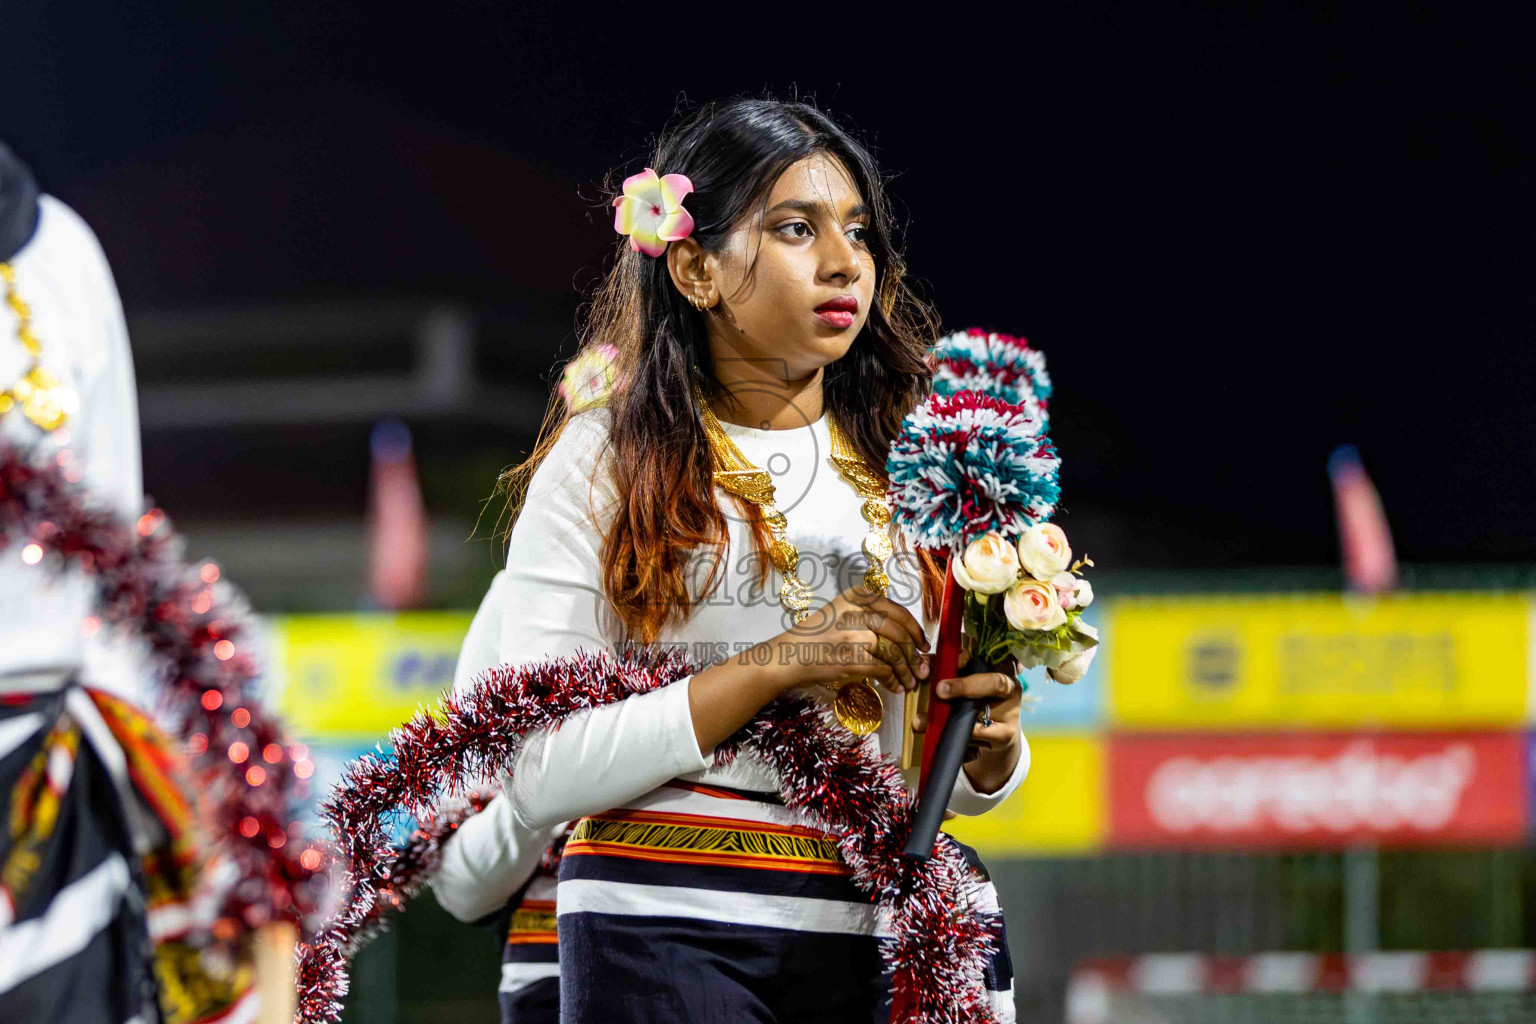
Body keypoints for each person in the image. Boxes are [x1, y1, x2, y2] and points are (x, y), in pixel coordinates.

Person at [458, 98, 1028, 1022]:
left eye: (857, 232)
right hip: (663, 920)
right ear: (693, 266)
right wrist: (780, 662)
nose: (845, 263)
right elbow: (536, 768)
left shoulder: (922, 473)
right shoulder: (608, 459)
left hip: (883, 923)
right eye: (795, 230)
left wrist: (989, 751)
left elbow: (928, 777)